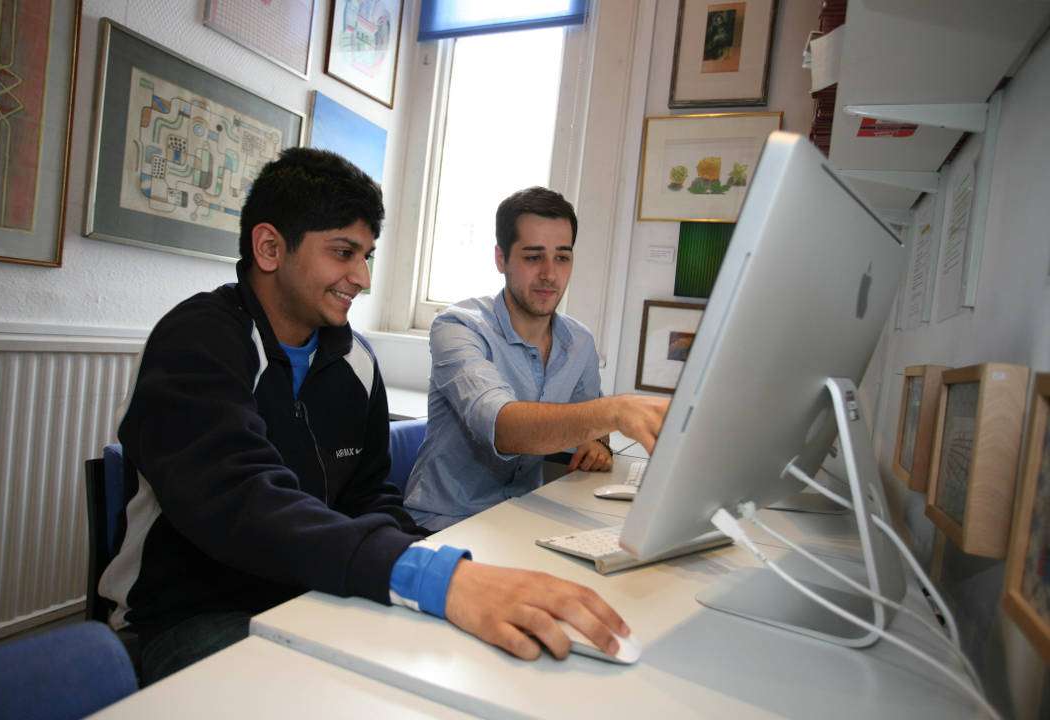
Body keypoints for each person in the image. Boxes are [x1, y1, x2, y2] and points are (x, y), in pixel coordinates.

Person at [99, 150, 630, 683]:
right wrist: (429, 576)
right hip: (194, 615)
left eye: (367, 255)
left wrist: (427, 560)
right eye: (344, 253)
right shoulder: (197, 341)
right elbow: (245, 503)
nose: (363, 277)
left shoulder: (354, 359)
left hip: (314, 589)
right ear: (269, 247)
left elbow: (367, 494)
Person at [404, 187, 670, 531]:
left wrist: (597, 443)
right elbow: (503, 428)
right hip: (443, 525)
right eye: (533, 257)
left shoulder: (579, 341)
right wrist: (615, 412)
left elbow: (591, 423)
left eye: (562, 257)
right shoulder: (459, 327)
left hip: (521, 517)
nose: (550, 273)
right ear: (501, 259)